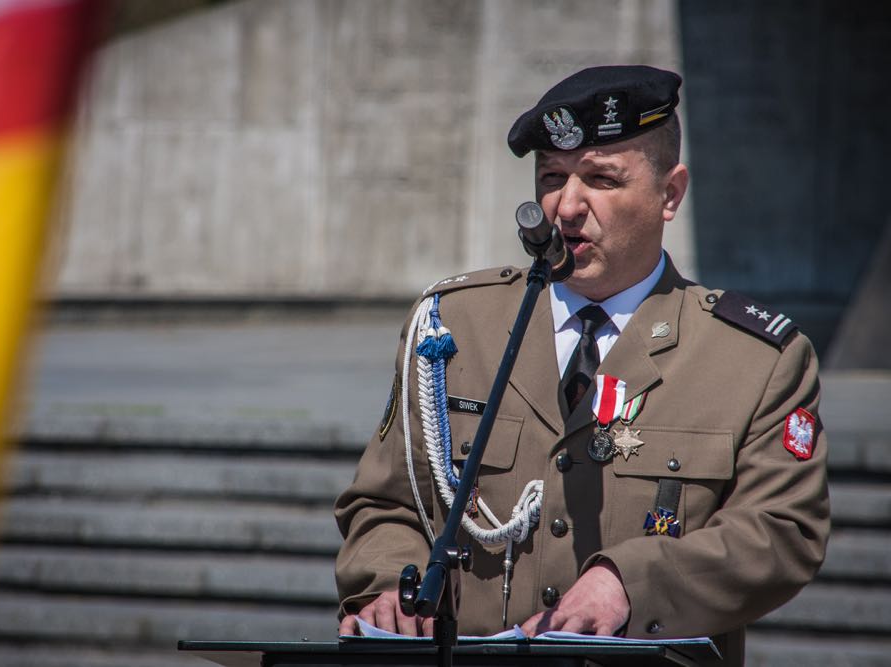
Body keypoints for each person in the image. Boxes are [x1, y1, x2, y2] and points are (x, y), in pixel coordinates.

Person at [333, 65, 829, 666]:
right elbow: (384, 501)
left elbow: (781, 532)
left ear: (669, 195)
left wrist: (630, 583)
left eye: (601, 179)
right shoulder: (453, 327)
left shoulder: (753, 359)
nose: (566, 206)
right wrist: (391, 580)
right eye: (552, 177)